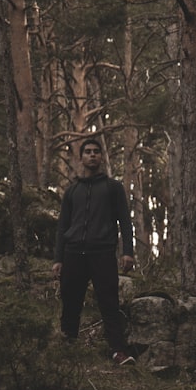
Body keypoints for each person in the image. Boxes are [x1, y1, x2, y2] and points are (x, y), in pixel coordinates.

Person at [52, 138, 136, 365]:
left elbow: (125, 222)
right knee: (71, 302)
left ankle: (118, 351)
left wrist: (127, 252)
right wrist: (58, 259)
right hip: (73, 253)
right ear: (81, 158)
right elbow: (63, 226)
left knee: (109, 303)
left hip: (102, 253)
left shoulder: (113, 188)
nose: (92, 155)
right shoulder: (72, 191)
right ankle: (68, 349)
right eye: (88, 152)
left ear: (101, 157)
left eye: (96, 152)